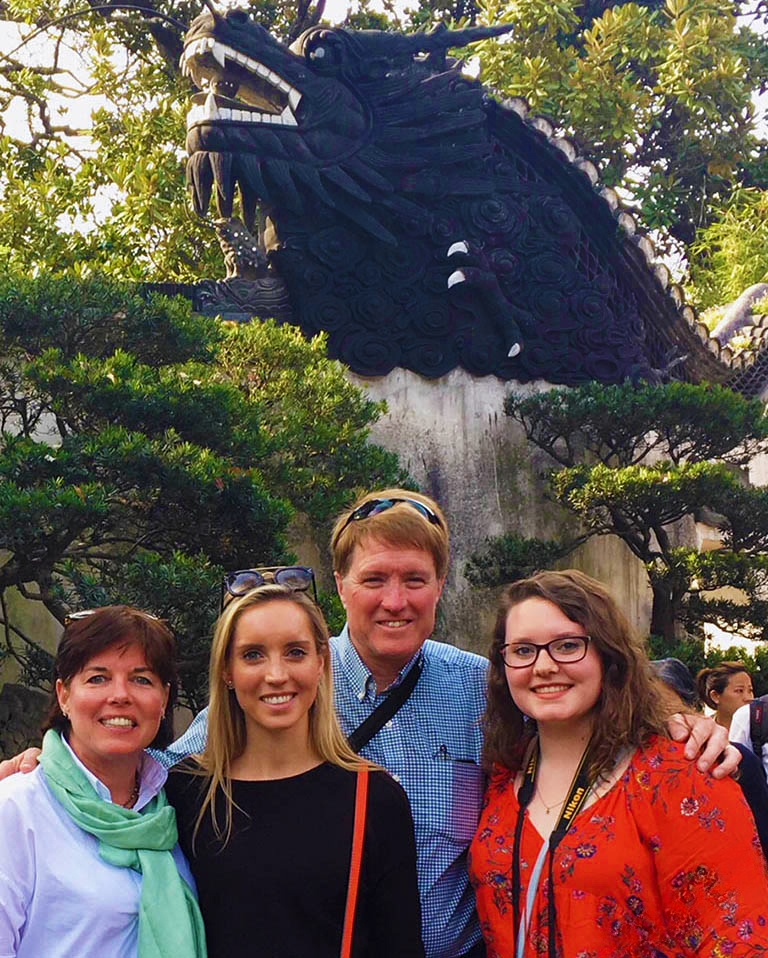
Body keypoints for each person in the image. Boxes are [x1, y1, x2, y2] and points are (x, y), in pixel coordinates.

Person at [0, 489, 740, 958]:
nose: (395, 600)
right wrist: (47, 765)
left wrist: (679, 724)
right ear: (342, 589)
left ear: (439, 587)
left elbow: (580, 689)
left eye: (414, 580)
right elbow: (147, 769)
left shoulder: (485, 687)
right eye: (374, 580)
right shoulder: (275, 690)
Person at [469, 571, 768, 958]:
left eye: (567, 645)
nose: (543, 666)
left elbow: (737, 935)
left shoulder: (681, 774)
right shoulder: (503, 773)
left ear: (608, 656)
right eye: (523, 650)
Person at [164, 584, 423, 958]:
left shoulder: (375, 799)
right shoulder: (187, 791)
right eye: (253, 655)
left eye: (295, 652)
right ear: (227, 671)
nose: (276, 674)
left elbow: (400, 947)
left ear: (320, 663)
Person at [0, 606, 205, 958]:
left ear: (164, 699)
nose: (120, 695)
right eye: (98, 678)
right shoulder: (17, 809)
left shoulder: (175, 806)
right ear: (64, 695)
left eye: (141, 679)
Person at [651, 656, 768, 860]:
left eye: (664, 707)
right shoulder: (614, 766)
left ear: (689, 707)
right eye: (646, 707)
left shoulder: (736, 761)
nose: (658, 720)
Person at [696, 660, 754, 728]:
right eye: (739, 691)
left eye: (750, 690)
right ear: (715, 696)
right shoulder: (701, 732)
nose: (749, 698)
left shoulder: (762, 731)